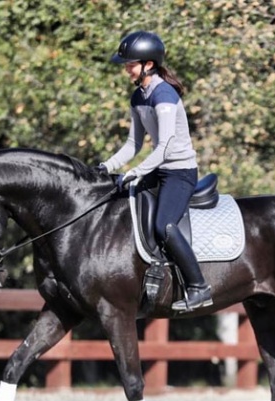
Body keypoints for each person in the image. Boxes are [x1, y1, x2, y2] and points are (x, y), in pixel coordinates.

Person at [96, 30, 212, 312]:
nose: (126, 69)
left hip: (179, 172)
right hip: (158, 170)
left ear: (148, 64)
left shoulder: (164, 95)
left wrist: (137, 171)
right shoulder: (139, 97)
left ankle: (198, 286)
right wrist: (106, 167)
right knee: (117, 198)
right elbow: (133, 143)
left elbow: (165, 146)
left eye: (130, 64)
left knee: (164, 226)